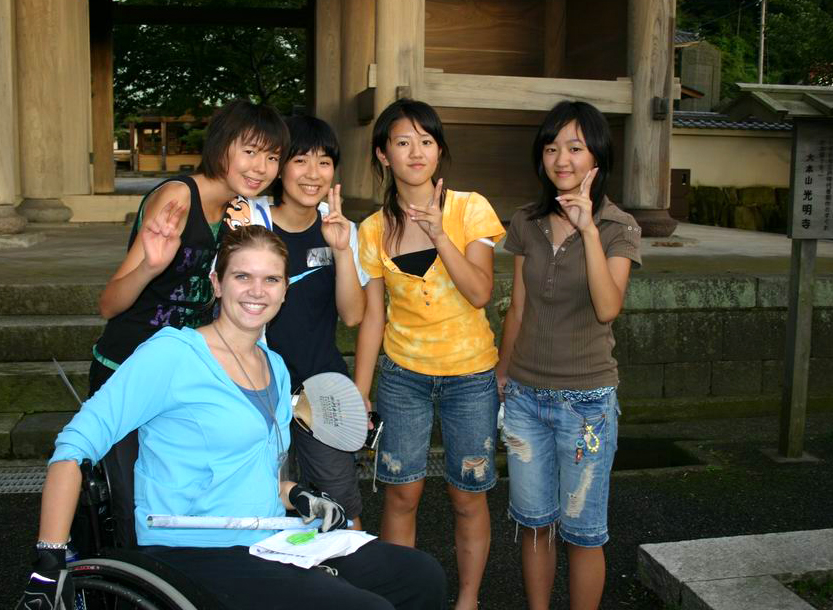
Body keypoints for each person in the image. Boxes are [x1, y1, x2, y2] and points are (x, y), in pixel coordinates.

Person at [17, 225, 447, 610]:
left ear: (284, 290)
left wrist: (296, 494)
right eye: (242, 276)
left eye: (271, 279)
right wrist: (49, 560)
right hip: (191, 547)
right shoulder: (172, 355)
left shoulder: (274, 365)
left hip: (268, 537)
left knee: (420, 576)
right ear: (216, 283)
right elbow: (72, 448)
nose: (256, 291)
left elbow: (244, 470)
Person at [87, 100, 288, 546]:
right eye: (250, 151)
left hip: (185, 378)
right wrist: (149, 267)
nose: (261, 167)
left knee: (175, 501)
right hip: (129, 370)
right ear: (221, 146)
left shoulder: (235, 211)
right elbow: (110, 303)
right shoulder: (179, 197)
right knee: (127, 507)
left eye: (272, 157)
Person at [354, 98, 505, 610]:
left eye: (426, 140)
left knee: (468, 496)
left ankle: (468, 599)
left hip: (470, 375)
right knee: (401, 493)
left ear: (440, 150)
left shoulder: (469, 208)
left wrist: (440, 232)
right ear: (383, 154)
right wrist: (361, 389)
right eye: (402, 141)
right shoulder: (372, 229)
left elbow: (481, 291)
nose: (415, 151)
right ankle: (402, 600)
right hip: (403, 376)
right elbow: (374, 315)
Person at [495, 100, 641, 610]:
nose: (562, 158)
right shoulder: (527, 221)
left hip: (587, 406)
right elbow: (518, 306)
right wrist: (502, 372)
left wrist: (589, 230)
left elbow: (608, 307)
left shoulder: (619, 226)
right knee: (534, 526)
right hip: (525, 400)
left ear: (597, 155)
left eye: (575, 147)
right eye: (552, 147)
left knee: (583, 531)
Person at [265, 115, 368, 529]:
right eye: (300, 160)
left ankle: (348, 592)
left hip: (321, 389)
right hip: (261, 389)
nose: (313, 174)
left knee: (342, 512)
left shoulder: (341, 228)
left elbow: (354, 314)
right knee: (268, 507)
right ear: (280, 166)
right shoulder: (252, 223)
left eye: (324, 162)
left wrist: (342, 250)